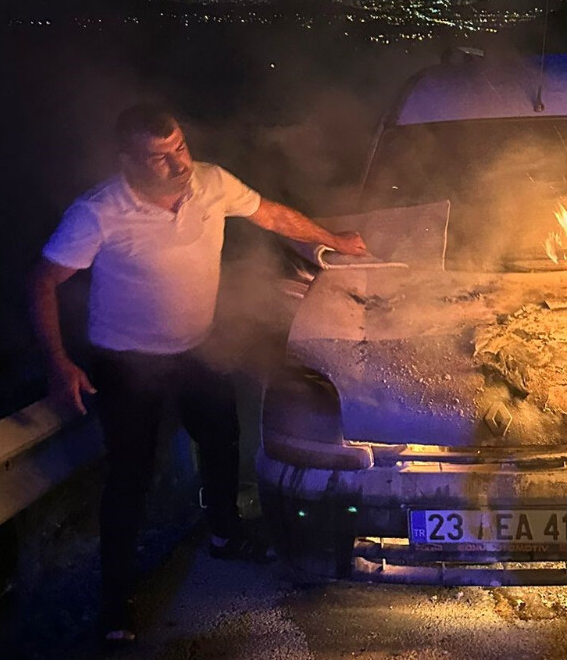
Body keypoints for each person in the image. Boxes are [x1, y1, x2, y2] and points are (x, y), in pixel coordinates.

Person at [28, 104, 368, 643]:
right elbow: (44, 282)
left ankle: (224, 535)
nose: (177, 163)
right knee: (130, 477)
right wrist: (59, 364)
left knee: (222, 438)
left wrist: (332, 238)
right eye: (159, 157)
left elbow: (273, 214)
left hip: (195, 348)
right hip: (126, 361)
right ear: (127, 161)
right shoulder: (98, 212)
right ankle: (116, 601)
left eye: (180, 147)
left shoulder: (211, 183)